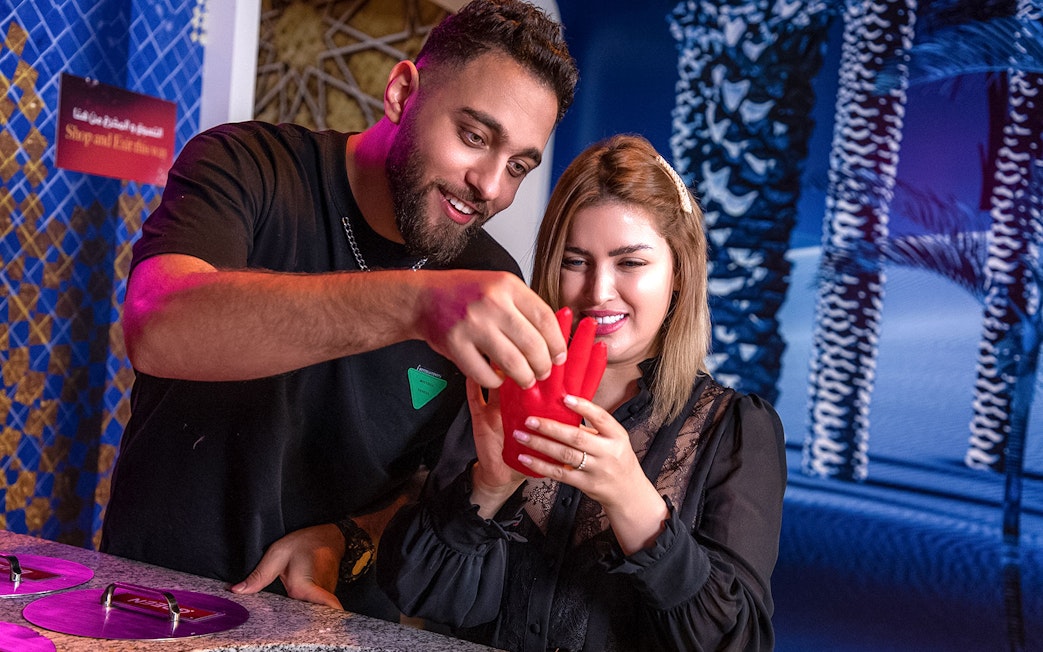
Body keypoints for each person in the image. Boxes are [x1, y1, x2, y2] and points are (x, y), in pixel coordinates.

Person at [99, 0, 578, 621]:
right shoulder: (248, 167)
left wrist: (352, 537)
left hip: (333, 622)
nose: (489, 185)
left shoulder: (493, 279)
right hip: (157, 601)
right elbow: (158, 327)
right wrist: (416, 304)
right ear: (404, 93)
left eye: (517, 166)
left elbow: (431, 486)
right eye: (474, 136)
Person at [376, 134, 787, 651]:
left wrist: (630, 498)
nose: (598, 290)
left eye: (631, 263)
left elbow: (738, 641)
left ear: (678, 272)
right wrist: (489, 487)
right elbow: (417, 593)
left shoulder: (735, 430)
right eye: (576, 261)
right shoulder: (497, 387)